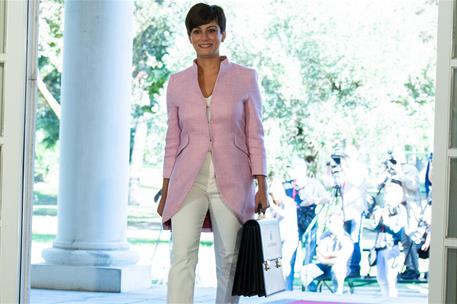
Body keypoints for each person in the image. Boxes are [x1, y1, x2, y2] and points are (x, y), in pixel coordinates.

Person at [156, 4, 269, 303]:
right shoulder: (176, 83)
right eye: (197, 31)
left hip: (232, 180)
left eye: (211, 30)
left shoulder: (245, 78)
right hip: (187, 180)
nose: (204, 37)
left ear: (222, 34)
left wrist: (262, 186)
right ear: (189, 37)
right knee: (181, 256)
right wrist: (166, 190)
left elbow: (254, 135)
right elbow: (172, 140)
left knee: (230, 259)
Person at [284, 158, 330, 290]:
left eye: (293, 168)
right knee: (290, 256)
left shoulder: (314, 184)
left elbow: (328, 198)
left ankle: (309, 288)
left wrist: (314, 200)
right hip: (292, 225)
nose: (290, 171)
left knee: (308, 257)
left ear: (302, 170)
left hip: (309, 224)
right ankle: (288, 289)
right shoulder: (287, 185)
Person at [301, 212, 353, 294]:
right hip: (324, 267)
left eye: (333, 222)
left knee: (337, 268)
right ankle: (312, 293)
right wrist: (333, 256)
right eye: (329, 222)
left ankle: (338, 294)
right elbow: (320, 255)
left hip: (342, 268)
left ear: (341, 223)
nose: (330, 224)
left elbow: (343, 259)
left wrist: (326, 256)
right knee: (305, 270)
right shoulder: (324, 236)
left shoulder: (346, 238)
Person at [372, 179, 406, 298]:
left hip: (392, 246)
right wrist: (377, 219)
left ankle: (391, 300)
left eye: (389, 194)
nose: (386, 196)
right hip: (380, 246)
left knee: (390, 278)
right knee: (381, 278)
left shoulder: (400, 209)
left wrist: (386, 220)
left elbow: (398, 229)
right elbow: (375, 228)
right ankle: (385, 298)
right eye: (386, 193)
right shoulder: (383, 208)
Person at [267, 178, 299, 285]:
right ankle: (276, 284)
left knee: (284, 262)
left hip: (289, 239)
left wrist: (273, 206)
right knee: (274, 263)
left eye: (273, 194)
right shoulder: (274, 206)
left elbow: (286, 214)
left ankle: (284, 283)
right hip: (277, 239)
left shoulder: (289, 202)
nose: (272, 197)